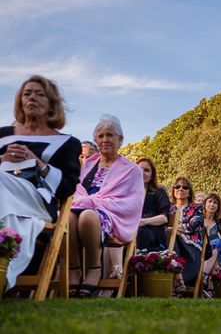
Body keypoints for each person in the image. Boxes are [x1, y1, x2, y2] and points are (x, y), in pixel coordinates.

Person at [0, 75, 81, 289]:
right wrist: (2, 159)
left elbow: (67, 188)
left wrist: (37, 163)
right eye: (27, 94)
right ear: (20, 101)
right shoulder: (3, 135)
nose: (32, 98)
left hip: (38, 200)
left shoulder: (68, 143)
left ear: (52, 103)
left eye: (39, 94)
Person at [69, 115, 144, 297]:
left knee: (88, 216)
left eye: (110, 135)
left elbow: (132, 203)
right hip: (79, 208)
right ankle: (74, 269)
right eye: (100, 136)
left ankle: (95, 267)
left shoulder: (132, 170)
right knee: (69, 217)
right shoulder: (86, 164)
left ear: (120, 140)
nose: (105, 140)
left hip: (109, 214)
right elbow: (74, 189)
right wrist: (83, 201)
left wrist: (92, 203)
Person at [169, 176, 205, 294]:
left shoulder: (197, 208)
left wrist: (175, 229)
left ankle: (178, 277)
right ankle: (177, 277)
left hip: (191, 250)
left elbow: (194, 225)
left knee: (172, 236)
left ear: (190, 192)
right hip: (170, 246)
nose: (181, 189)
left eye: (185, 187)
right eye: (177, 186)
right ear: (173, 190)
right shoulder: (168, 208)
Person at [136, 158, 170, 252]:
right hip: (131, 228)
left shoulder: (159, 192)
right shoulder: (129, 192)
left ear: (152, 174)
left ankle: (138, 263)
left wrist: (142, 221)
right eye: (139, 170)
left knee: (140, 233)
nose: (143, 173)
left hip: (152, 231)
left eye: (147, 170)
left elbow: (164, 218)